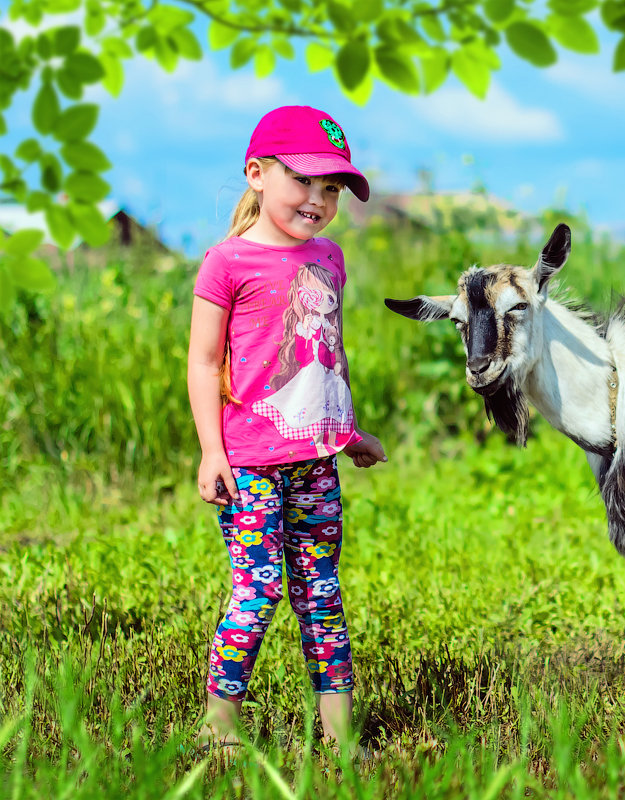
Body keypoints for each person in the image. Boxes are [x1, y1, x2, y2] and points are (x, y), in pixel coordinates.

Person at [186, 105, 386, 755]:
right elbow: (205, 360)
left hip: (315, 466)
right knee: (260, 590)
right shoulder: (227, 262)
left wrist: (347, 431)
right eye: (304, 181)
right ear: (256, 174)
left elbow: (325, 355)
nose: (319, 199)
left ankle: (341, 735)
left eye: (332, 188)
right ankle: (219, 725)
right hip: (249, 465)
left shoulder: (330, 258)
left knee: (322, 591)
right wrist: (211, 451)